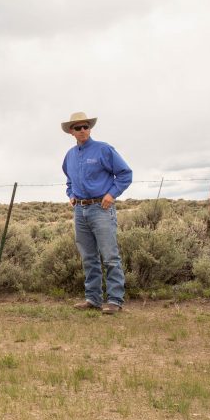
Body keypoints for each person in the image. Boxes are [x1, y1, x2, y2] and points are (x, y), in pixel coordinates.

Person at [60, 112, 133, 315]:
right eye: (77, 128)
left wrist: (112, 194)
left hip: (101, 209)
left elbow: (125, 174)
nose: (82, 130)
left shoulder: (104, 149)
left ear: (90, 129)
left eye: (85, 126)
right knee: (88, 257)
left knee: (110, 256)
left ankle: (115, 300)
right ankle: (93, 298)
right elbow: (69, 180)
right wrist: (71, 194)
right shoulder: (70, 155)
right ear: (71, 132)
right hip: (80, 210)